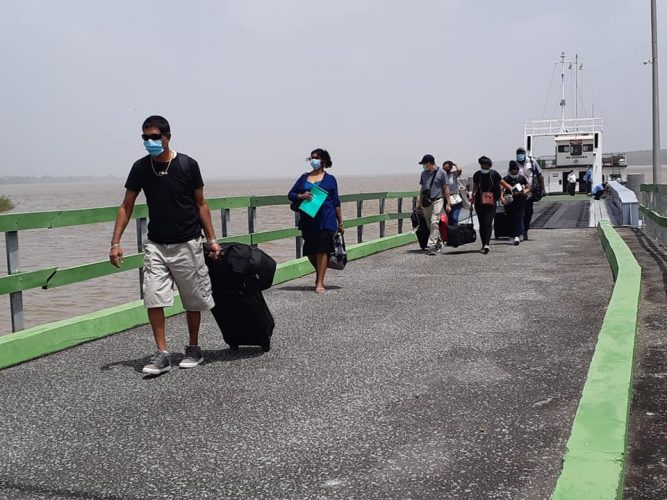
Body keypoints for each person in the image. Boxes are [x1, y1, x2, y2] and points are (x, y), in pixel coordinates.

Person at [109, 115, 221, 375]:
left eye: (154, 137)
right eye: (145, 138)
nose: (149, 142)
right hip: (156, 244)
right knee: (153, 297)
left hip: (188, 242)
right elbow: (126, 206)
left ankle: (193, 347)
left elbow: (201, 203)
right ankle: (162, 354)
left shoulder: (187, 165)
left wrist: (212, 240)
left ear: (167, 137)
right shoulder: (140, 168)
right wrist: (115, 242)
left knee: (193, 299)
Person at [288, 148, 343, 293]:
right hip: (308, 218)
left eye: (316, 158)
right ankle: (320, 274)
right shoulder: (303, 177)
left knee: (322, 249)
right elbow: (291, 194)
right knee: (309, 250)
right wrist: (301, 196)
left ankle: (320, 282)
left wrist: (341, 222)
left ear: (323, 161)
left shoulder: (330, 179)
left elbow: (336, 202)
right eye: (312, 157)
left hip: (326, 218)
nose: (313, 160)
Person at [471, 156, 508, 254]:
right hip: (479, 202)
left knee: (488, 222)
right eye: (483, 165)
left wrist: (503, 196)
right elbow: (474, 190)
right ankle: (483, 244)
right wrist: (471, 203)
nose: (485, 167)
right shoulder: (477, 175)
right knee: (482, 223)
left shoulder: (494, 174)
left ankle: (487, 244)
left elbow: (501, 185)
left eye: (487, 166)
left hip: (491, 202)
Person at [416, 154, 451, 255]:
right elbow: (422, 189)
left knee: (434, 221)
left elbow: (446, 189)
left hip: (438, 200)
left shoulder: (442, 173)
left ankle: (431, 245)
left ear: (430, 163)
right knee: (429, 224)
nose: (424, 166)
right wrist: (419, 203)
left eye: (425, 164)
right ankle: (439, 243)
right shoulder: (423, 174)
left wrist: (448, 203)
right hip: (427, 201)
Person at [515, 147, 545, 241]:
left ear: (524, 153)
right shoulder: (514, 164)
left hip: (530, 192)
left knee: (528, 213)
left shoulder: (532, 162)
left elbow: (540, 175)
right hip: (519, 192)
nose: (520, 154)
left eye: (521, 153)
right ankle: (521, 232)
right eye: (518, 153)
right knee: (520, 213)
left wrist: (543, 189)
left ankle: (525, 230)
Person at [502, 161, 530, 245]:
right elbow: (501, 189)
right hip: (510, 201)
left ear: (518, 170)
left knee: (519, 217)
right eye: (512, 170)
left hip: (520, 201)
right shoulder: (506, 179)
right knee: (510, 218)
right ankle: (512, 235)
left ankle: (519, 234)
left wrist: (524, 191)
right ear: (509, 170)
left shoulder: (521, 178)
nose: (514, 171)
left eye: (515, 169)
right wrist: (502, 198)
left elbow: (528, 187)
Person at [443, 160, 464, 225]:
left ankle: (455, 231)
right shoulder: (442, 176)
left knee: (454, 218)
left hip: (455, 199)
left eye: (448, 168)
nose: (446, 170)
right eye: (444, 168)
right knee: (448, 219)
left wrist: (455, 164)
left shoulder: (454, 174)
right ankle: (450, 233)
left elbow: (460, 170)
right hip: (445, 199)